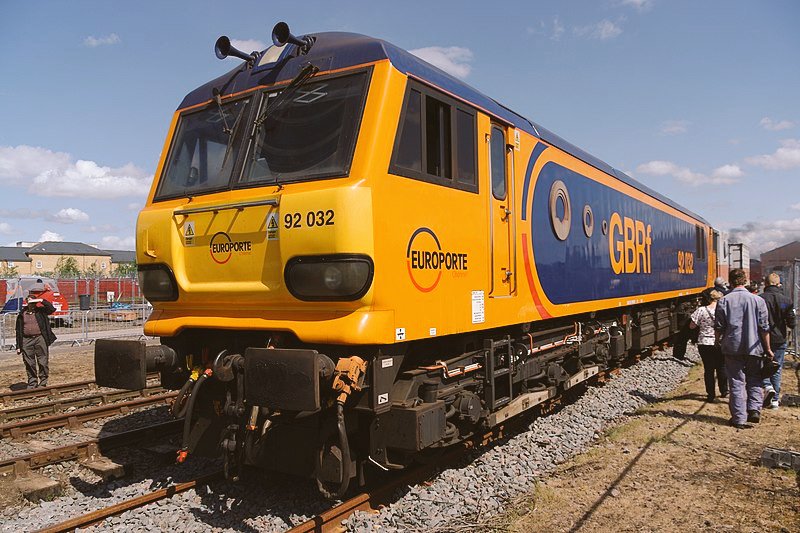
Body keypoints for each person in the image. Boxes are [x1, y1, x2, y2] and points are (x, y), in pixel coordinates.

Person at [714, 268, 772, 429]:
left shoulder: (724, 301)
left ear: (731, 282)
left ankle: (739, 418)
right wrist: (768, 349)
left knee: (736, 381)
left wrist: (717, 341)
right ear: (745, 281)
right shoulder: (758, 301)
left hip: (732, 347)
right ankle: (754, 410)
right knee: (755, 378)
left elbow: (719, 326)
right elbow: (764, 328)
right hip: (755, 346)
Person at [760, 272, 796, 409]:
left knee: (762, 365)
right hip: (780, 338)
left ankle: (767, 386)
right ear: (778, 284)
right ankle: (775, 400)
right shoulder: (786, 300)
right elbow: (791, 323)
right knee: (777, 367)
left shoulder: (760, 299)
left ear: (766, 284)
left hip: (763, 338)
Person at [14, 283, 57, 389]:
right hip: (26, 340)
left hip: (40, 338)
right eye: (30, 302)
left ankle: (43, 382)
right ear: (27, 303)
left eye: (33, 303)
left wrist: (41, 300)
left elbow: (52, 309)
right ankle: (32, 382)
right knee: (29, 362)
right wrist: (19, 346)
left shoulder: (41, 312)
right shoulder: (21, 315)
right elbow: (18, 331)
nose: (32, 305)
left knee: (43, 361)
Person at [690, 290, 727, 402]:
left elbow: (692, 326)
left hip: (705, 343)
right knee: (722, 367)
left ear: (710, 298)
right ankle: (724, 390)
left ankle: (710, 394)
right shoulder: (724, 311)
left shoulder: (701, 310)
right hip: (720, 342)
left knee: (709, 369)